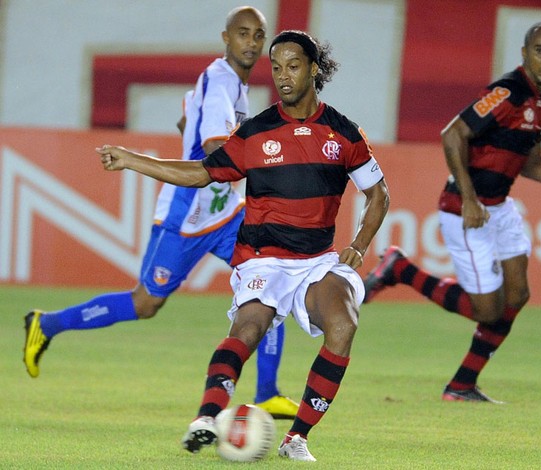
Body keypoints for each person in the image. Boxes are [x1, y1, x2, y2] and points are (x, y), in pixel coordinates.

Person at [95, 30, 390, 461]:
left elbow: (378, 194)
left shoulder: (343, 133)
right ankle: (206, 418)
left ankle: (297, 438)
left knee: (343, 326)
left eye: (293, 66)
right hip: (262, 260)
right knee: (248, 330)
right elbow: (200, 172)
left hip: (316, 262)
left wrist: (360, 246)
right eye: (276, 67)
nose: (283, 76)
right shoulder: (256, 132)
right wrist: (130, 159)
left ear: (314, 69)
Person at [22, 6, 299, 419]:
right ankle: (46, 325)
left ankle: (267, 391)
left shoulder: (228, 85)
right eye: (243, 33)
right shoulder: (222, 81)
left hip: (224, 215)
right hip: (185, 217)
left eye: (258, 35)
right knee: (146, 302)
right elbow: (213, 152)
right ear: (226, 38)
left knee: (273, 277)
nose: (251, 42)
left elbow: (186, 118)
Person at [363, 22, 541, 403]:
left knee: (518, 293)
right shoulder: (507, 92)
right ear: (525, 52)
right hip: (466, 210)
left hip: (499, 208)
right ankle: (400, 269)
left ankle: (462, 385)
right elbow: (453, 134)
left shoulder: (536, 101)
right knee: (487, 310)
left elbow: (530, 164)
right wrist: (469, 199)